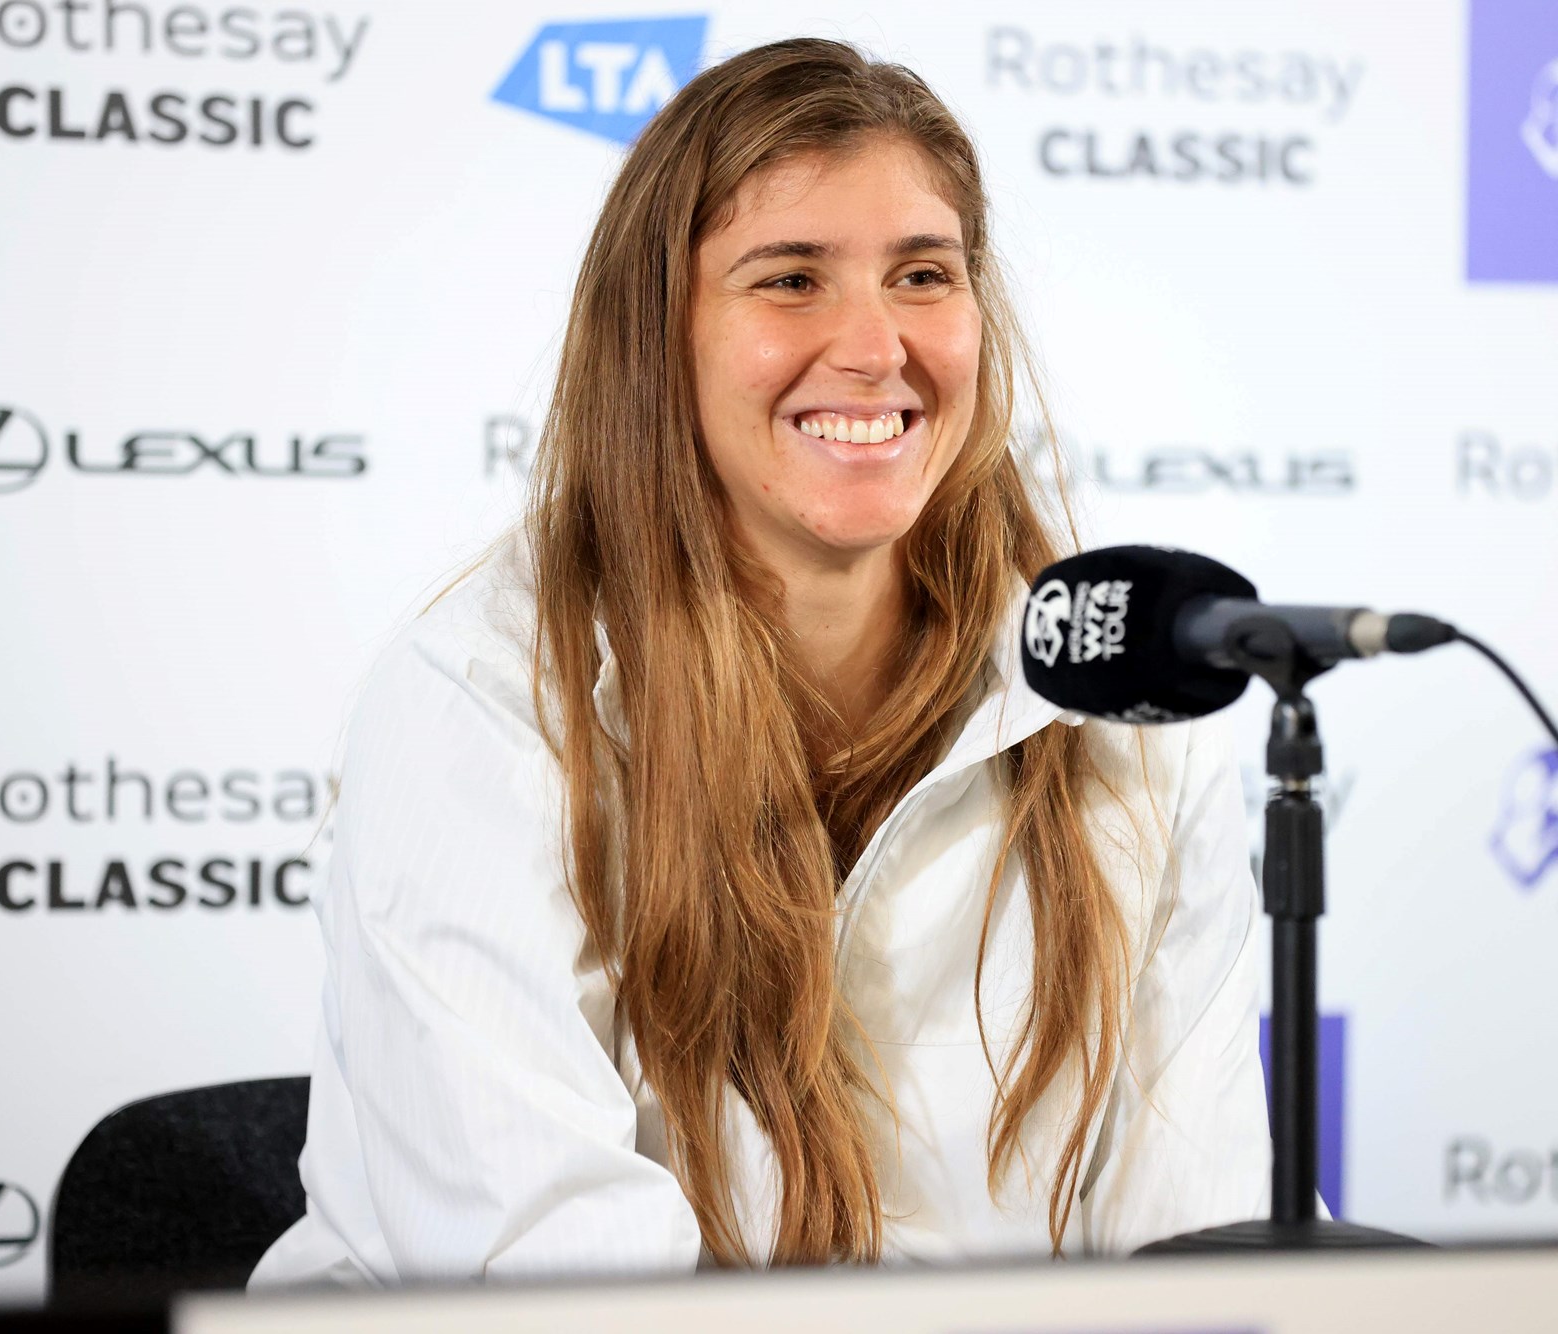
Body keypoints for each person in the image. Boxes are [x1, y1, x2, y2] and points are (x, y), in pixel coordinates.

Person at [251, 37, 1267, 1286]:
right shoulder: (481, 701)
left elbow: (1199, 1243)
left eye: (921, 275)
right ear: (654, 337)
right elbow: (552, 1288)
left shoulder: (1121, 697)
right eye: (789, 278)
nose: (873, 346)